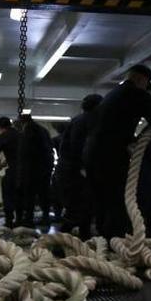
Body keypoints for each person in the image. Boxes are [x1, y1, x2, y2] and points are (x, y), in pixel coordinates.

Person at [83, 64, 151, 239]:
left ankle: (103, 244)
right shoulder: (137, 94)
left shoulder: (112, 95)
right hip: (110, 157)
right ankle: (116, 245)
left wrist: (131, 140)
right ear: (141, 80)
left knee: (102, 202)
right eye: (146, 85)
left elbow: (110, 127)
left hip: (92, 155)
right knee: (118, 203)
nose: (146, 89)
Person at [57, 94, 101, 236]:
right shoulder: (88, 121)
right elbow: (79, 146)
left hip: (70, 171)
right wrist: (83, 168)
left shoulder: (78, 120)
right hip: (75, 172)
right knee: (79, 207)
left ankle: (80, 237)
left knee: (79, 208)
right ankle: (65, 240)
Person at [16, 113, 55, 227]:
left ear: (22, 122)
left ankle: (29, 219)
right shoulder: (43, 130)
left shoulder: (29, 131)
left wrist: (21, 173)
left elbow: (25, 153)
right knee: (44, 194)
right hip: (45, 168)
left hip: (33, 169)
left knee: (30, 195)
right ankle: (46, 217)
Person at [0, 116, 21, 226]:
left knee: (8, 195)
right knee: (22, 196)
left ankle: (9, 221)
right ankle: (21, 219)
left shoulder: (3, 136)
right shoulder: (21, 134)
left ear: (0, 127)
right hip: (27, 172)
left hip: (13, 171)